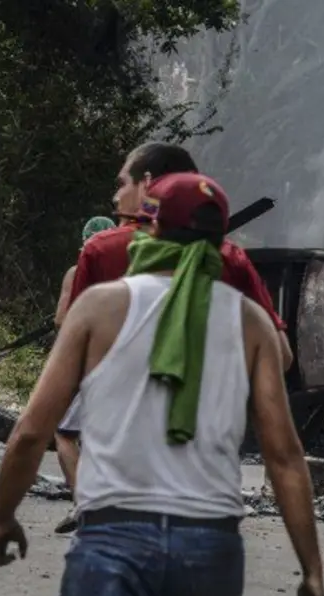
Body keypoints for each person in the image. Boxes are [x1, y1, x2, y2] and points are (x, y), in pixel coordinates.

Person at [0, 172, 324, 596]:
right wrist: (312, 569)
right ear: (220, 242)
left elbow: (31, 431)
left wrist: (1, 518)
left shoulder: (98, 308)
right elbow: (283, 456)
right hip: (209, 549)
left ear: (149, 230)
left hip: (113, 541)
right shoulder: (251, 324)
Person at [53, 142, 293, 536]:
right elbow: (281, 359)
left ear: (147, 184)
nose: (115, 196)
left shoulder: (101, 249)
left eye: (121, 183)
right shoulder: (231, 259)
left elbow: (74, 345)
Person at [51, 216, 116, 536]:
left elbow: (63, 320)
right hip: (126, 362)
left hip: (88, 363)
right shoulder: (131, 272)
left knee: (64, 434)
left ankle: (85, 504)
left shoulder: (77, 273)